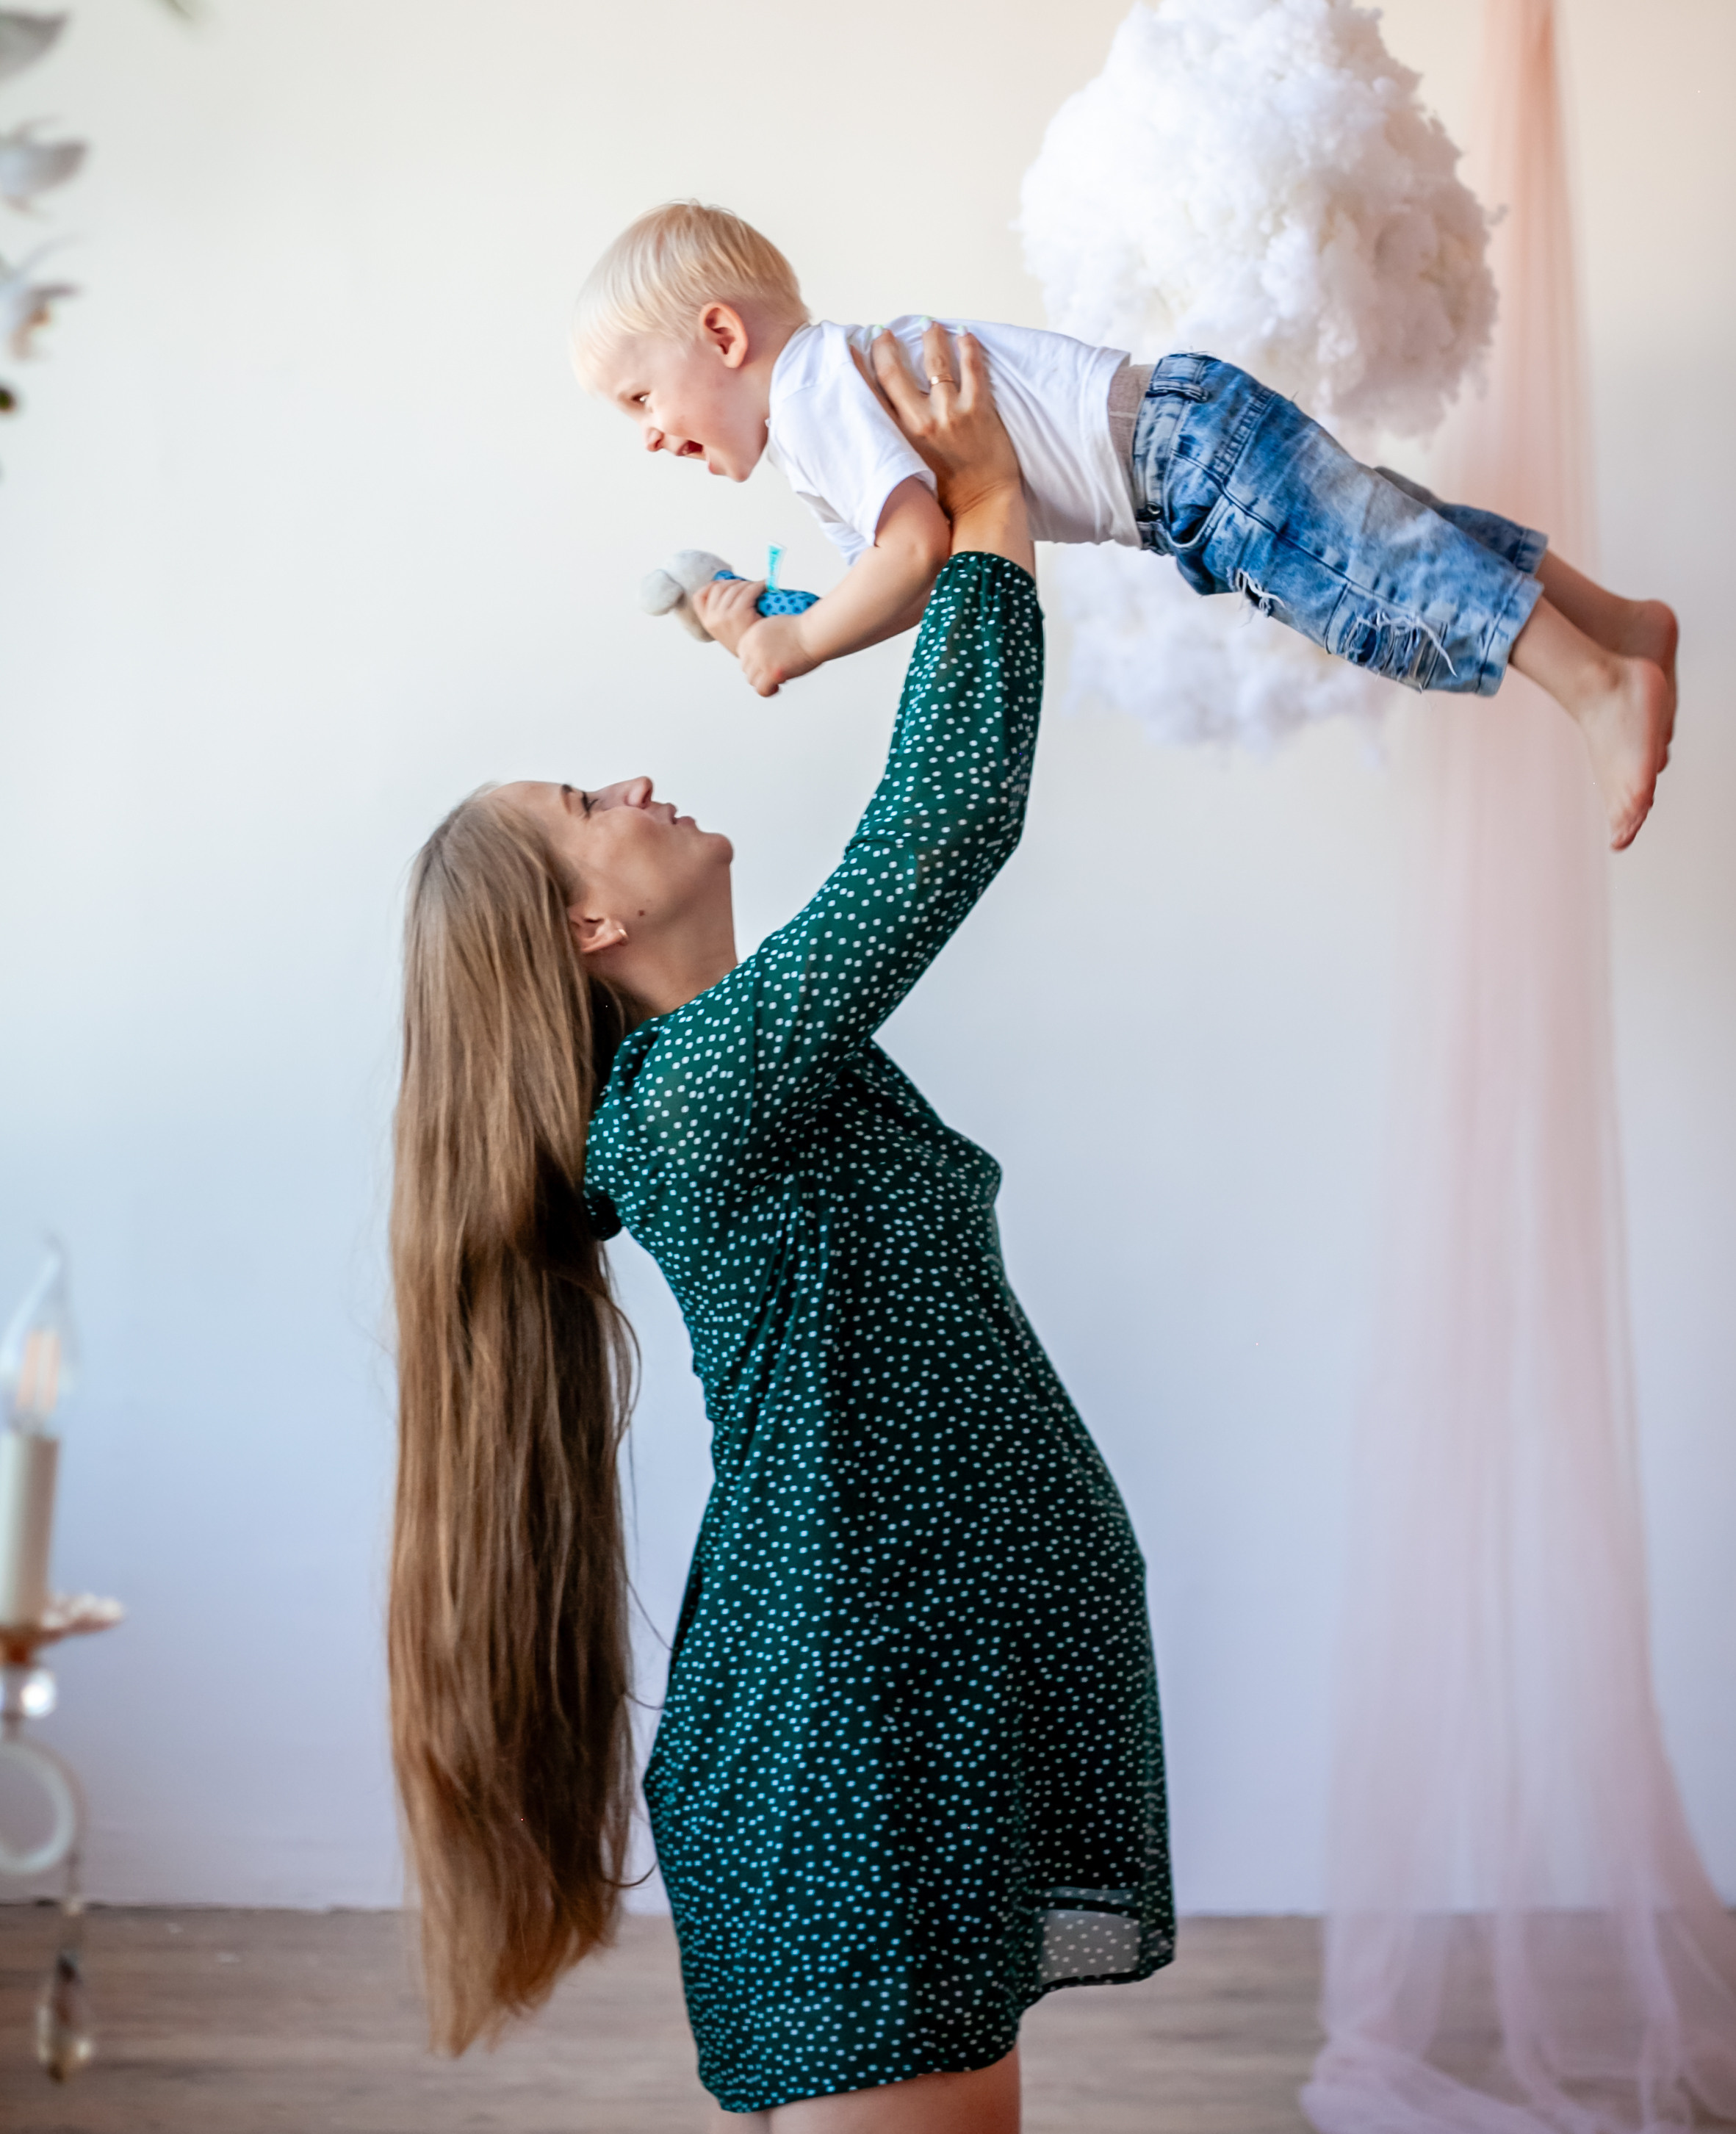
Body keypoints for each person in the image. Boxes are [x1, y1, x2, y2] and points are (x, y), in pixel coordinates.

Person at [388, 326, 1170, 2129]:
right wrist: (981, 509)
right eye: (592, 808)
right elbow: (938, 830)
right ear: (583, 930)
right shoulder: (692, 1101)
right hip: (853, 1726)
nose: (639, 785)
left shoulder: (757, 1081)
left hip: (902, 1693)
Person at [572, 201, 1678, 851]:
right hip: (1181, 440)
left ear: (721, 335)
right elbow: (907, 567)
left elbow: (912, 556)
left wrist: (797, 648)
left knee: (1381, 584)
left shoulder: (815, 396)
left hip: (1176, 460)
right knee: (1405, 534)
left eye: (638, 402)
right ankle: (1617, 626)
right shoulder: (828, 398)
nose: (647, 437)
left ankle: (1598, 684)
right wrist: (777, 615)